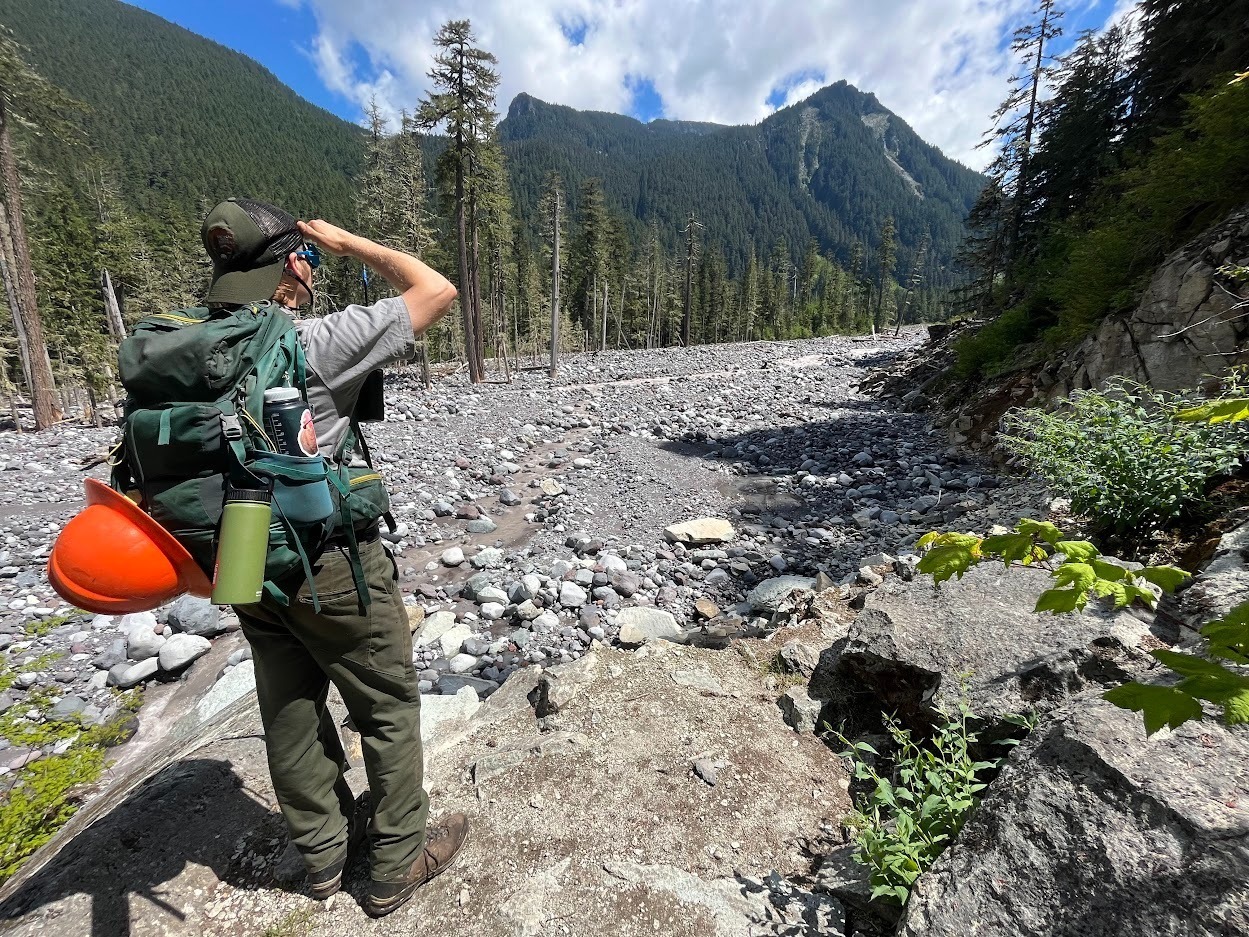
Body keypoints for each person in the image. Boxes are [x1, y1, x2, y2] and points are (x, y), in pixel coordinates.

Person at [199, 197, 468, 918]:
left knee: (288, 706)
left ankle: (321, 859)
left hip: (242, 556)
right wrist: (348, 242)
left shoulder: (193, 345)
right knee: (384, 704)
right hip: (326, 560)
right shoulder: (312, 339)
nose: (314, 269)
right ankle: (393, 865)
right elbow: (436, 288)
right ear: (291, 262)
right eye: (307, 258)